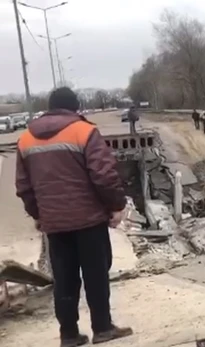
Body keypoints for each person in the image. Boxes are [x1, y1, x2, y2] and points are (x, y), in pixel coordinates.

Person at [15, 87, 133, 347]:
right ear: (75, 108)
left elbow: (24, 186)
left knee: (64, 279)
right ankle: (102, 329)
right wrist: (116, 206)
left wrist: (38, 214)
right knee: (96, 275)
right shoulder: (84, 131)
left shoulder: (25, 140)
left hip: (54, 225)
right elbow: (104, 175)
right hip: (89, 220)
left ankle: (68, 335)